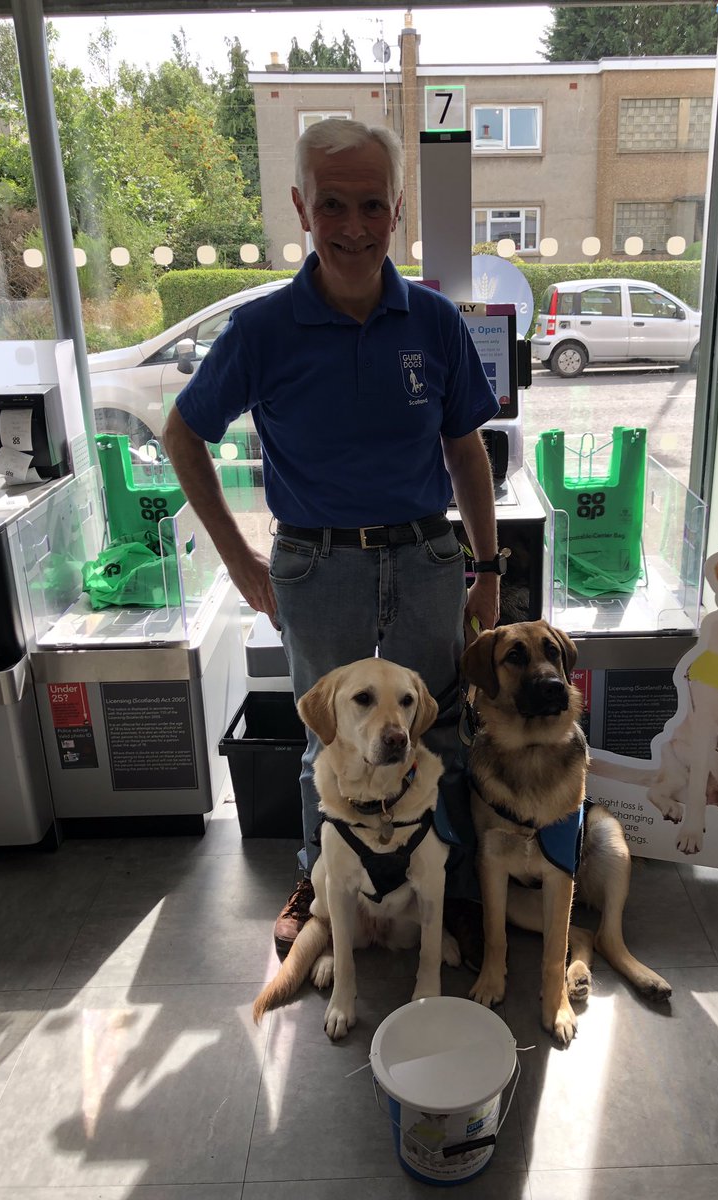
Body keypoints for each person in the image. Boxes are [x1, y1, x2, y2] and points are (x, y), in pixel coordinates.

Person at [163, 118, 500, 963]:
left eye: (372, 205)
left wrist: (488, 569)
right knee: (330, 732)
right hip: (315, 562)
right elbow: (182, 434)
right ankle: (324, 876)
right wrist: (239, 558)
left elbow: (466, 450)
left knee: (434, 729)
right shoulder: (262, 330)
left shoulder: (434, 322)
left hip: (425, 555)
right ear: (300, 208)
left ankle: (445, 885)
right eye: (333, 204)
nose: (353, 225)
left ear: (399, 212)